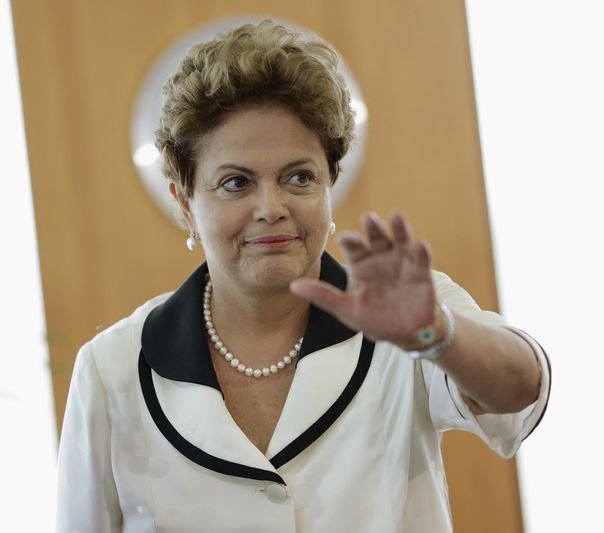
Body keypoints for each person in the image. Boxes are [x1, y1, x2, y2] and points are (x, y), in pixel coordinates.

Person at [55, 18, 551, 533]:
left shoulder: (413, 316)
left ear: (330, 183)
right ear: (185, 203)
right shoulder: (110, 369)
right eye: (235, 183)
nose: (271, 208)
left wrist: (436, 335)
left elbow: (520, 391)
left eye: (298, 177)